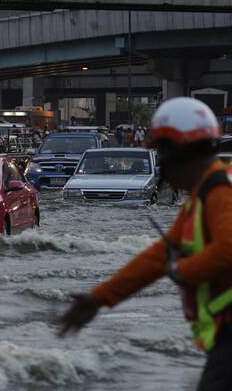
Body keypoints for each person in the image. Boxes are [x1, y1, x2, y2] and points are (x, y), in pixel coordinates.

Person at [58, 97, 232, 391]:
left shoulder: (219, 193)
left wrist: (181, 271)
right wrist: (100, 298)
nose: (159, 163)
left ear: (176, 151)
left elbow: (228, 248)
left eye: (160, 152)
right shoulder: (202, 197)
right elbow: (157, 257)